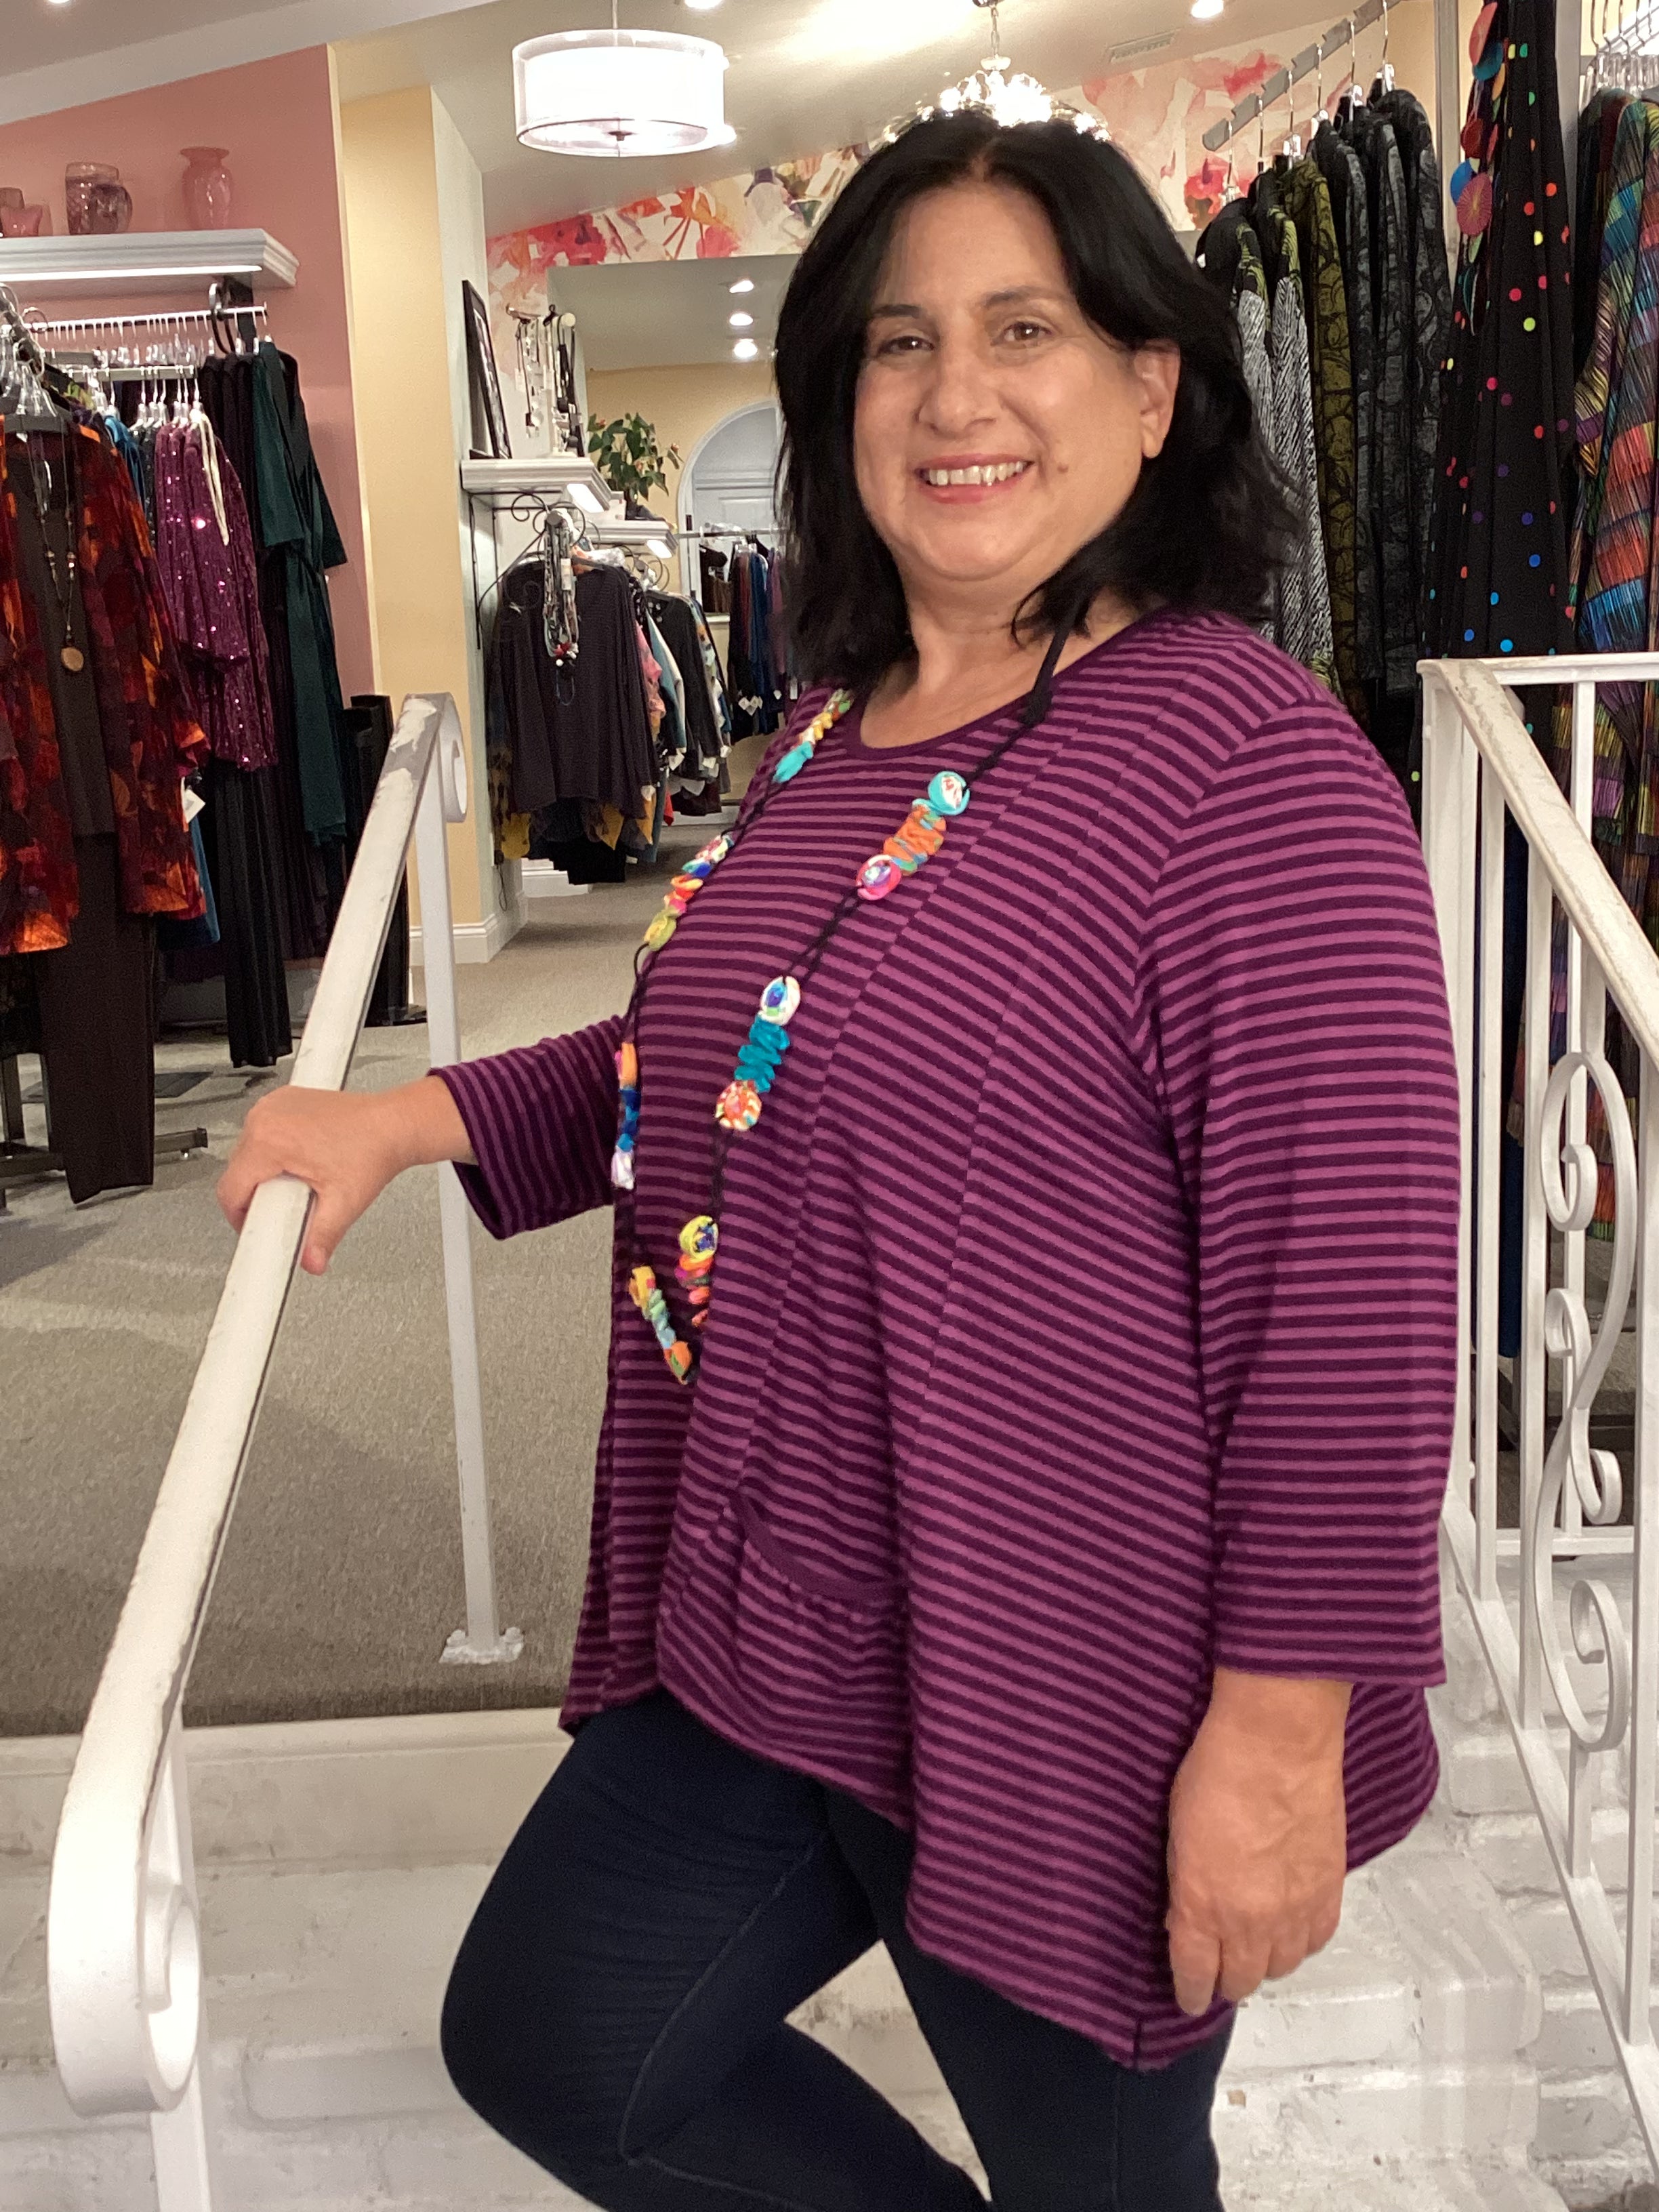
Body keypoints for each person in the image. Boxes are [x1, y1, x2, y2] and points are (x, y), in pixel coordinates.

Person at [219, 109, 1458, 2212]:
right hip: (781, 1607)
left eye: (1024, 329)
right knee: (562, 2044)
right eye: (900, 342)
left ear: (1154, 386)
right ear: (840, 401)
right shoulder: (822, 734)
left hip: (1069, 1668)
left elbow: (1347, 1306)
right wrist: (414, 1117)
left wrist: (1277, 1738)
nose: (955, 395)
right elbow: (721, 1063)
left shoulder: (1256, 773)